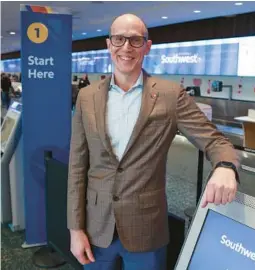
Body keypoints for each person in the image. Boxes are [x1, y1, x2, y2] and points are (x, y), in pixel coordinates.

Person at [67, 13, 241, 270]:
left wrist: (226, 167)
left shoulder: (170, 96)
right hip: (96, 228)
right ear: (109, 44)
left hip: (146, 230)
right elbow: (77, 167)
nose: (126, 47)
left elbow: (215, 141)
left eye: (135, 40)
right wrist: (75, 228)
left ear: (147, 47)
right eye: (119, 39)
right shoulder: (86, 97)